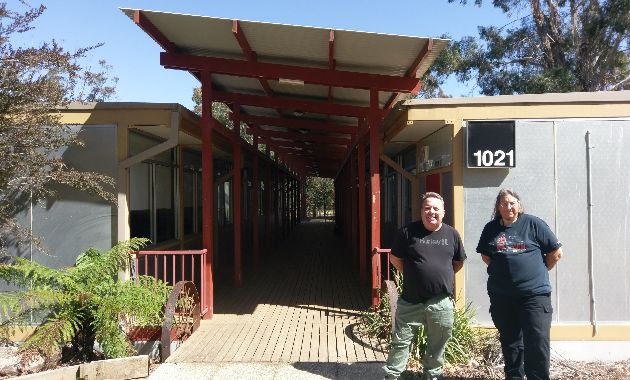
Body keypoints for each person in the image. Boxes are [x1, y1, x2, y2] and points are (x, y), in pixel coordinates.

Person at [476, 189, 563, 380]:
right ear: (498, 207)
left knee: (537, 340)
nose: (508, 207)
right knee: (511, 341)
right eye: (504, 203)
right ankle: (514, 376)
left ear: (519, 205)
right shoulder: (491, 228)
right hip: (502, 296)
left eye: (512, 203)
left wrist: (535, 273)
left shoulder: (534, 224)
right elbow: (486, 256)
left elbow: (555, 253)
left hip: (534, 295)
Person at [383, 192, 466, 380]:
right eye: (427, 208)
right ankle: (393, 376)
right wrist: (414, 275)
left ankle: (432, 375)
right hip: (410, 300)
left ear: (443, 212)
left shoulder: (452, 234)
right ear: (421, 211)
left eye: (436, 208)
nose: (431, 212)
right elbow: (395, 258)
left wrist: (438, 276)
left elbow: (458, 263)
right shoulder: (407, 232)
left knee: (438, 343)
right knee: (401, 342)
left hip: (440, 301)